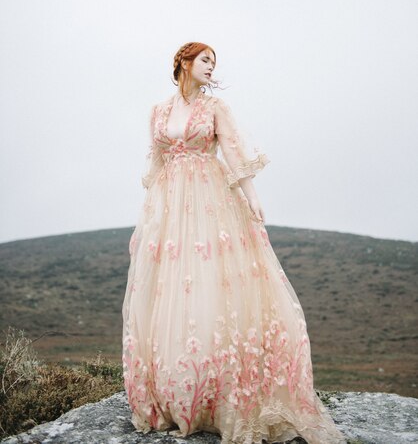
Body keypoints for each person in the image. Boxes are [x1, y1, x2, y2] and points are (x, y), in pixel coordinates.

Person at [122, 42, 346, 444]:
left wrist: (254, 199)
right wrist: (148, 222)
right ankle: (180, 394)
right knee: (173, 294)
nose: (211, 67)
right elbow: (156, 164)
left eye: (214, 62)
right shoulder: (158, 111)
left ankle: (223, 396)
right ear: (184, 63)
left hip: (210, 202)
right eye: (205, 60)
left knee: (212, 287)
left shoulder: (215, 109)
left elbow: (233, 152)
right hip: (170, 208)